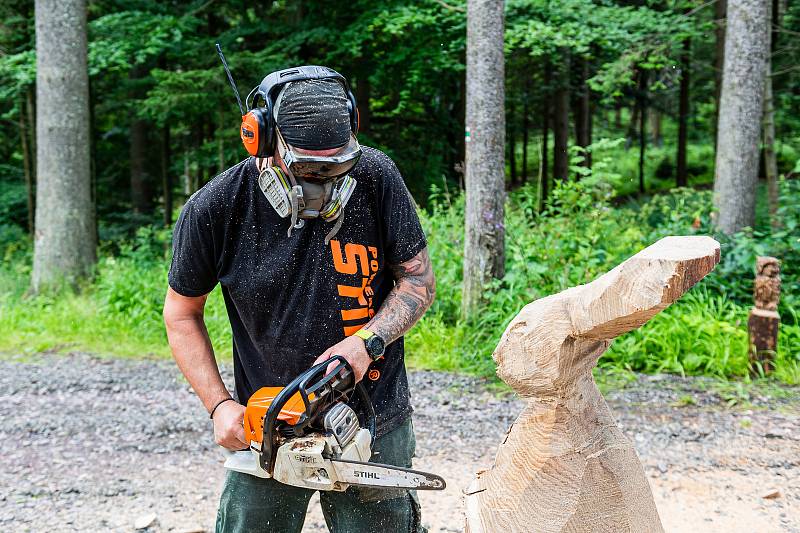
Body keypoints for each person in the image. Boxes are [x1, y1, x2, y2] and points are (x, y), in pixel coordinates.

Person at [162, 66, 435, 533]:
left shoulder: (376, 176)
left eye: (335, 169)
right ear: (259, 138)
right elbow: (182, 313)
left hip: (373, 413)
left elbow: (417, 282)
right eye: (308, 170)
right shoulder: (216, 208)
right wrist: (220, 406)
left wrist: (367, 342)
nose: (322, 185)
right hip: (270, 419)